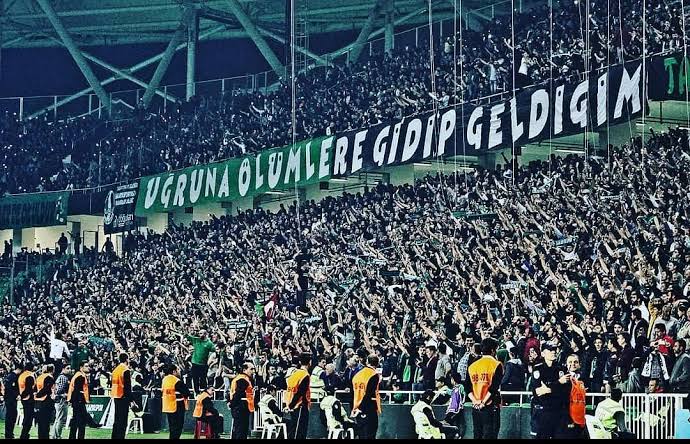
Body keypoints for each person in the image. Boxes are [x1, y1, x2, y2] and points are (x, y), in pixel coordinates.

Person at [529, 343, 568, 439]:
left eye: (554, 350)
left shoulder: (561, 369)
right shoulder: (538, 369)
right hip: (544, 411)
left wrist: (549, 388)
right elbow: (538, 391)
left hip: (558, 411)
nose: (553, 352)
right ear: (543, 353)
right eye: (550, 350)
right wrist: (558, 383)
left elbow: (564, 391)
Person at [467, 338, 503, 439]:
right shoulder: (497, 365)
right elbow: (494, 388)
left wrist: (475, 401)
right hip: (490, 406)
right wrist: (483, 402)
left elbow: (467, 387)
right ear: (493, 350)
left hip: (476, 407)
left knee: (477, 434)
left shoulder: (472, 366)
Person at [351, 354, 382, 440]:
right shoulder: (374, 375)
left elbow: (352, 393)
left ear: (367, 362)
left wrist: (355, 408)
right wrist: (361, 408)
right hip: (368, 408)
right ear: (377, 363)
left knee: (362, 434)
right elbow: (369, 394)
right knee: (370, 433)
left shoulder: (357, 375)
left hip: (356, 408)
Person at [556, 354, 586, 439]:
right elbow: (563, 401)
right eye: (570, 362)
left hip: (580, 419)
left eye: (575, 362)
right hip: (568, 419)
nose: (573, 364)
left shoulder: (582, 378)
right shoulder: (564, 378)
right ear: (566, 364)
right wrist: (568, 420)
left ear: (579, 364)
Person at [68, 361, 100, 439]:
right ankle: (93, 424)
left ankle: (73, 437)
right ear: (81, 367)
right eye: (86, 366)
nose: (88, 367)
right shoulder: (81, 376)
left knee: (77, 421)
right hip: (78, 401)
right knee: (81, 419)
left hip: (76, 400)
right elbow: (78, 390)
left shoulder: (78, 375)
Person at [285, 353, 312, 440]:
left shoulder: (294, 373)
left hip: (292, 404)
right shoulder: (305, 375)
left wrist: (289, 405)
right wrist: (292, 405)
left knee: (293, 430)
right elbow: (300, 392)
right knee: (300, 431)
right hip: (300, 406)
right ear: (310, 362)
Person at [161, 363, 191, 439]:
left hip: (167, 406)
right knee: (178, 426)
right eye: (178, 369)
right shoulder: (176, 381)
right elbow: (187, 393)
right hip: (177, 406)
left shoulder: (164, 380)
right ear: (174, 371)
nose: (179, 371)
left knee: (172, 427)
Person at [228, 362, 256, 439]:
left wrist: (231, 403)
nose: (253, 371)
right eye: (251, 369)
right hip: (241, 407)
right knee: (241, 431)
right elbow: (238, 393)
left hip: (239, 407)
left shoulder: (239, 378)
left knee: (238, 430)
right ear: (244, 370)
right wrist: (232, 404)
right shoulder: (243, 379)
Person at [185, 329, 216, 393]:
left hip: (203, 364)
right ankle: (196, 393)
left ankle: (205, 393)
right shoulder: (196, 340)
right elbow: (187, 336)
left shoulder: (209, 343)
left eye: (201, 333)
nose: (200, 335)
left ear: (205, 334)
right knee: (195, 379)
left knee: (203, 380)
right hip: (195, 363)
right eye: (199, 333)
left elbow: (215, 350)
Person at [111, 353, 133, 439]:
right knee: (123, 421)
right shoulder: (125, 370)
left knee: (117, 420)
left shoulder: (115, 370)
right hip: (123, 397)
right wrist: (130, 400)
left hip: (116, 395)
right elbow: (127, 386)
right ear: (127, 359)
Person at [34, 364, 56, 439]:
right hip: (46, 401)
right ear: (53, 370)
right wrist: (39, 395)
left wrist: (37, 395)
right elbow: (47, 389)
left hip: (38, 402)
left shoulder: (39, 377)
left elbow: (35, 388)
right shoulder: (49, 377)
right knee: (46, 423)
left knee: (40, 423)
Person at [52, 363, 72, 439]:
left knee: (57, 419)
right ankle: (57, 436)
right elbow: (58, 390)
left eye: (70, 368)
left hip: (58, 400)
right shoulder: (63, 377)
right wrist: (65, 394)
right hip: (61, 400)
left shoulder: (60, 377)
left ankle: (54, 435)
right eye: (67, 368)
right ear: (63, 369)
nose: (69, 370)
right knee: (61, 419)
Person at [3, 362, 22, 440]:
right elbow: (10, 388)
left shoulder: (10, 376)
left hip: (9, 399)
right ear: (18, 369)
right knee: (11, 417)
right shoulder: (13, 377)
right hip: (11, 400)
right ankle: (9, 434)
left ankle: (9, 433)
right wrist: (16, 395)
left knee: (11, 416)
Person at [444, 372, 466, 438]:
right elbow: (451, 393)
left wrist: (463, 402)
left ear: (453, 379)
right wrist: (446, 389)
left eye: (451, 379)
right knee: (453, 422)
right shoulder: (454, 388)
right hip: (453, 409)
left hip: (458, 409)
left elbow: (464, 394)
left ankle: (458, 435)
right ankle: (455, 434)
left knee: (459, 422)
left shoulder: (461, 387)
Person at [18, 362, 36, 440]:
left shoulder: (22, 375)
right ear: (32, 368)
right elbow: (29, 388)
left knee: (26, 417)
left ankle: (24, 434)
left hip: (24, 398)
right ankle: (24, 435)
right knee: (28, 419)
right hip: (28, 399)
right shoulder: (30, 376)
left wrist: (21, 396)